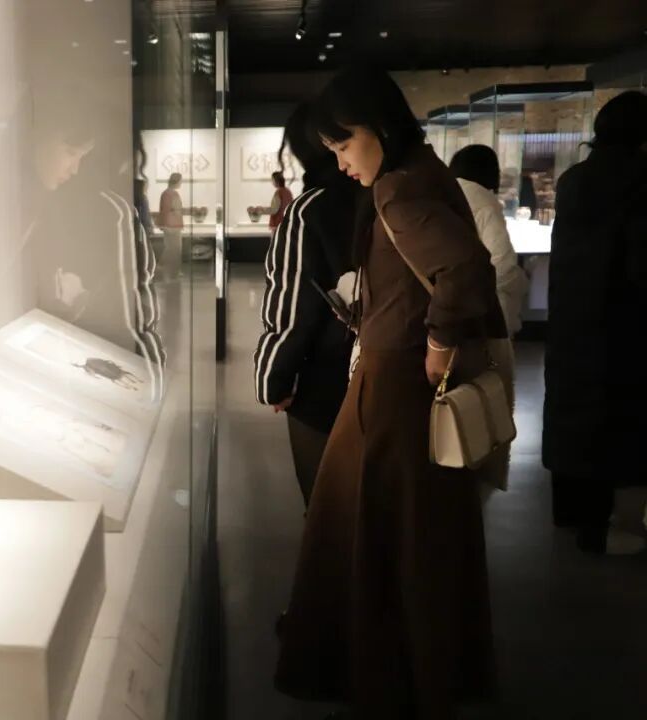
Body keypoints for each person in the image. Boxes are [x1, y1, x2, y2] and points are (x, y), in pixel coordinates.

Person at [275, 68, 506, 719]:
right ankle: (413, 670)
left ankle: (385, 676)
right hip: (393, 373)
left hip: (397, 383)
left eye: (344, 145)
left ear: (377, 127)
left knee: (377, 529)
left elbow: (464, 270)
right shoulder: (421, 173)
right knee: (405, 530)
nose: (342, 163)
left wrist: (437, 343)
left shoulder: (399, 189)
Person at [544, 90, 647, 555]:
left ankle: (571, 513)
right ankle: (605, 529)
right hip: (624, 324)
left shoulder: (575, 180)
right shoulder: (639, 181)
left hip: (572, 318)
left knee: (573, 416)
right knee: (617, 424)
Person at [254, 103, 357, 508]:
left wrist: (273, 381)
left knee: (328, 507)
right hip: (388, 377)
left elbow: (291, 307)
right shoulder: (383, 196)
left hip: (325, 383)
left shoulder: (311, 209)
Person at [449, 145, 530, 337]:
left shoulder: (443, 193)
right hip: (483, 310)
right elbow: (502, 265)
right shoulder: (484, 201)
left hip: (446, 303)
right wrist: (522, 282)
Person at [157, 172, 185, 277]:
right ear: (176, 181)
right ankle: (170, 269)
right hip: (172, 225)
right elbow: (167, 210)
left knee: (172, 248)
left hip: (172, 225)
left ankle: (168, 268)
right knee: (174, 249)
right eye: (180, 181)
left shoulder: (168, 193)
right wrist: (164, 224)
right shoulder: (170, 194)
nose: (181, 183)